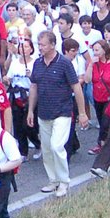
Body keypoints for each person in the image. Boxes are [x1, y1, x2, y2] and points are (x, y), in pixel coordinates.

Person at [28, 31, 89, 198]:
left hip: (62, 111)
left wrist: (82, 112)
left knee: (57, 146)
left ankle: (64, 181)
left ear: (53, 45)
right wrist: (30, 110)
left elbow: (76, 87)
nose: (40, 48)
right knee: (47, 149)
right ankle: (53, 179)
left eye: (43, 45)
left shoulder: (64, 63)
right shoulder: (37, 64)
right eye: (39, 44)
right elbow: (34, 87)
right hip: (43, 112)